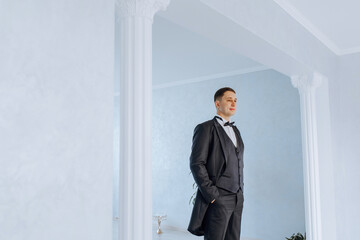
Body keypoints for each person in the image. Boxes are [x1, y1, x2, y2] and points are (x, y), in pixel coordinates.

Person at [188, 87, 245, 240]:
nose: (233, 103)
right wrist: (212, 195)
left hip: (238, 197)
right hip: (219, 197)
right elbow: (196, 163)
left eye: (235, 100)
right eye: (229, 99)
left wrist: (240, 193)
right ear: (217, 103)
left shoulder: (236, 131)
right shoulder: (205, 128)